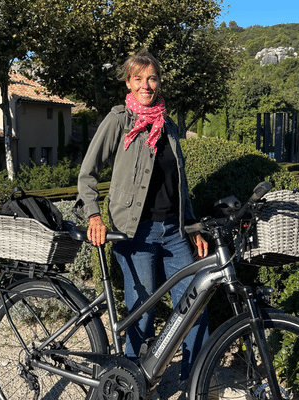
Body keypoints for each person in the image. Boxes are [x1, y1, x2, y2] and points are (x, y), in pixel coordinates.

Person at [76, 49, 209, 380]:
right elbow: (87, 174)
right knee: (142, 311)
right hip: (134, 232)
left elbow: (181, 185)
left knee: (193, 304)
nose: (146, 84)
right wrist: (94, 215)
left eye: (151, 78)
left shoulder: (170, 127)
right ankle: (131, 382)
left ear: (159, 82)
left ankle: (197, 381)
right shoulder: (119, 120)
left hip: (174, 231)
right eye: (139, 78)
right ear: (129, 82)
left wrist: (191, 226)